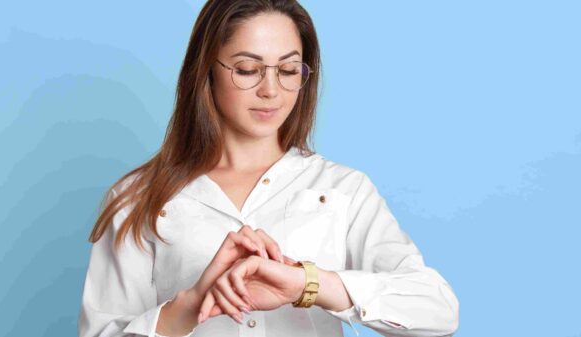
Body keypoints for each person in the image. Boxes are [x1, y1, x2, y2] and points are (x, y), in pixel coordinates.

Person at [77, 1, 460, 336]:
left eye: (289, 70)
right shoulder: (137, 198)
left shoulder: (344, 190)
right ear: (206, 70)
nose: (271, 90)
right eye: (247, 70)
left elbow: (437, 311)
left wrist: (307, 285)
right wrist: (188, 308)